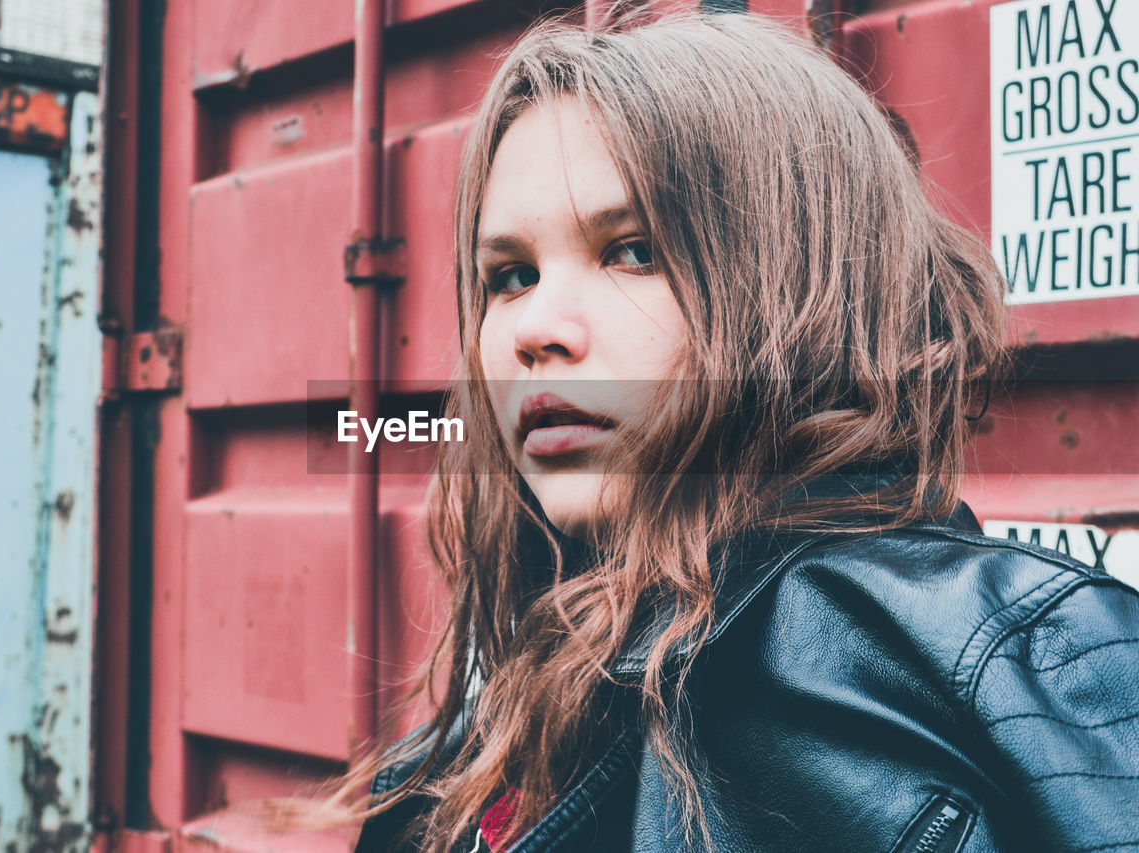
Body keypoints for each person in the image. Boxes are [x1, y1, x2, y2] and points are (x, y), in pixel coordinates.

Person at [296, 9, 1139, 852]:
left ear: (795, 281)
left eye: (631, 251)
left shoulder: (1020, 668)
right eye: (509, 276)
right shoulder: (453, 772)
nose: (533, 327)